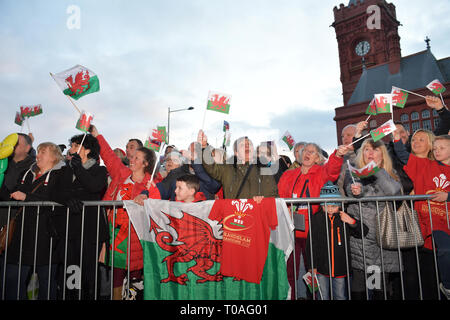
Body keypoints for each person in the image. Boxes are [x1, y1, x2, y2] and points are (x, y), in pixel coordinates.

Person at [90, 125, 158, 300]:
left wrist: (148, 194)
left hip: (135, 235)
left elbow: (157, 203)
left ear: (146, 163)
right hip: (113, 231)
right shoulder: (122, 173)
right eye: (132, 156)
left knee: (135, 275)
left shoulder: (150, 184)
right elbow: (109, 156)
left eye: (137, 157)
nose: (132, 159)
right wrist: (97, 135)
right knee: (117, 274)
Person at [278, 142, 350, 299]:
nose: (307, 153)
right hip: (292, 230)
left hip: (314, 230)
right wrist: (286, 208)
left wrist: (337, 155)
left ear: (317, 158)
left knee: (315, 272)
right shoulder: (288, 175)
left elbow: (332, 171)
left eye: (312, 151)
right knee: (291, 271)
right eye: (305, 150)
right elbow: (280, 197)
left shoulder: (321, 172)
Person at [0, 142, 65, 300]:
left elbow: (58, 198)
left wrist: (27, 197)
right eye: (39, 151)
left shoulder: (61, 174)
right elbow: (12, 193)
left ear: (54, 157)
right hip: (21, 235)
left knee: (46, 282)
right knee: (12, 279)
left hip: (46, 237)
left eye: (43, 152)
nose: (38, 155)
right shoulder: (27, 173)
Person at [52, 133, 108, 300]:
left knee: (88, 270)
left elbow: (94, 186)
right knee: (70, 268)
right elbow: (55, 192)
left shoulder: (100, 170)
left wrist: (79, 169)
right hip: (69, 229)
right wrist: (67, 199)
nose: (71, 150)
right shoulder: (64, 170)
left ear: (87, 149)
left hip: (90, 230)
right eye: (72, 146)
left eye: (76, 146)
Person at [344, 138, 402, 300]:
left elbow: (393, 191)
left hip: (381, 235)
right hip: (359, 233)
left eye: (375, 150)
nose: (370, 153)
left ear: (382, 154)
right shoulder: (353, 170)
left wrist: (377, 170)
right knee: (358, 282)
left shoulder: (389, 172)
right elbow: (350, 189)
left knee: (376, 282)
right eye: (367, 149)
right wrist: (356, 191)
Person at [398, 134, 450, 299]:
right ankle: (448, 286)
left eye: (442, 148)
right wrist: (396, 139)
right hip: (434, 220)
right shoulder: (426, 165)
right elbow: (403, 155)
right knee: (445, 249)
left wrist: (448, 196)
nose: (437, 151)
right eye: (435, 148)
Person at [305, 182, 368, 300]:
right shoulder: (316, 218)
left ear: (339, 205)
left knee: (340, 296)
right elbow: (310, 244)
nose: (329, 209)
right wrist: (311, 265)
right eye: (326, 205)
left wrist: (351, 222)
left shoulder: (344, 217)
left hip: (340, 269)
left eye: (333, 206)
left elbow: (364, 231)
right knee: (322, 296)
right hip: (320, 269)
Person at [197, 130, 278, 200]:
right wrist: (204, 147)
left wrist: (262, 199)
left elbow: (272, 193)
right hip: (235, 214)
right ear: (236, 152)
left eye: (249, 144)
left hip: (256, 213)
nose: (247, 146)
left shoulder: (263, 168)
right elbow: (211, 167)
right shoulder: (227, 168)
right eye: (242, 145)